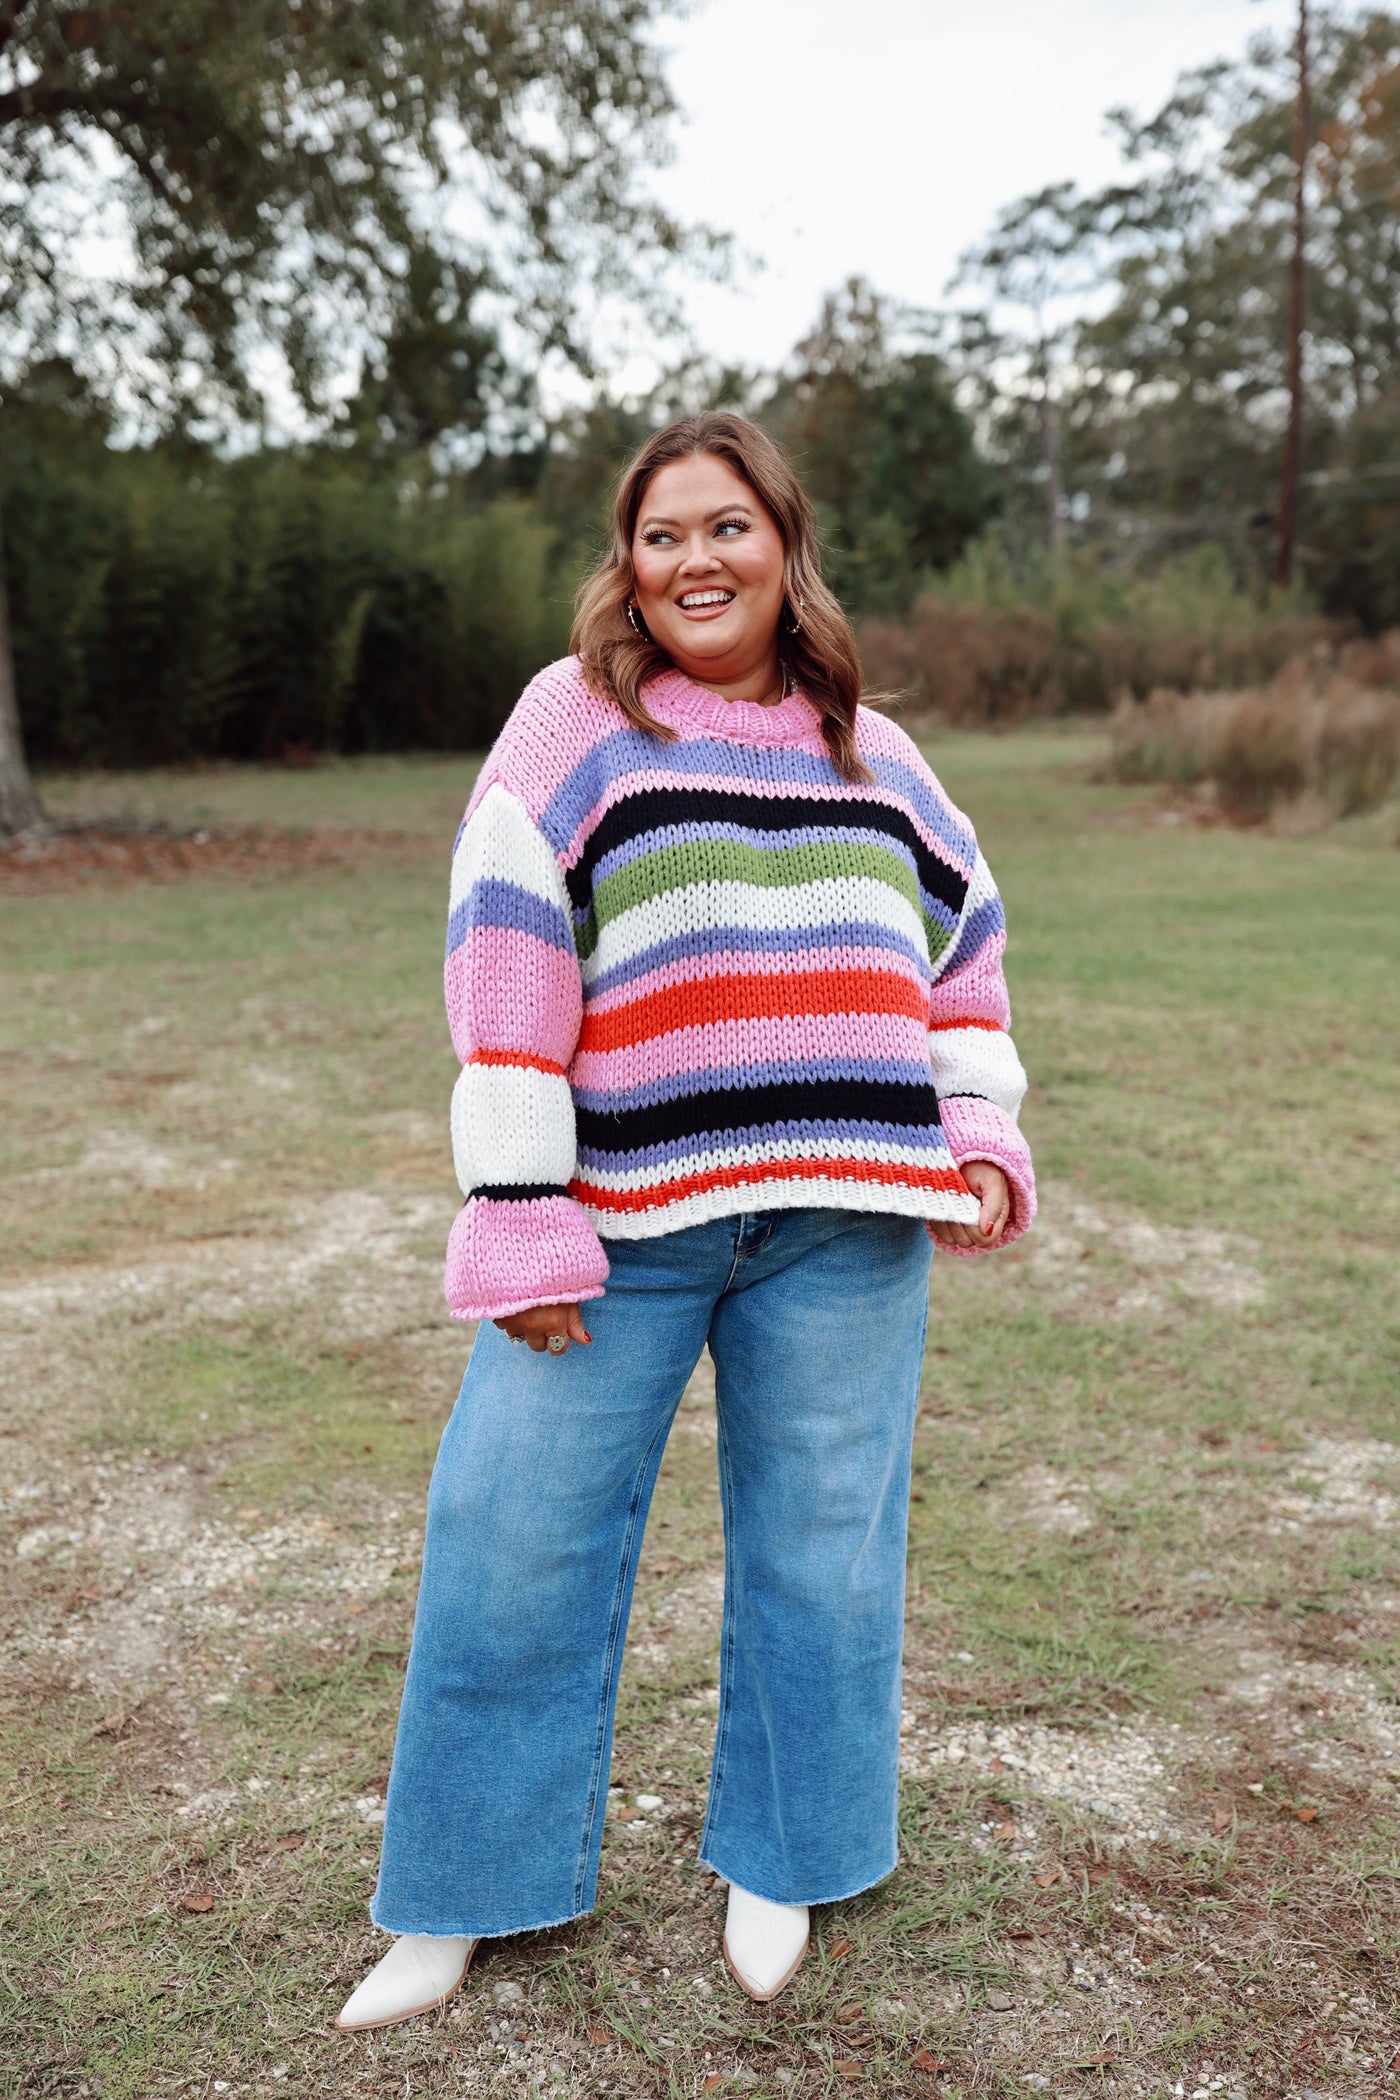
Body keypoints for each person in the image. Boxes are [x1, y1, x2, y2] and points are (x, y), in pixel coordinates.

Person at [336, 413, 1035, 2032]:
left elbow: (968, 946)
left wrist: (980, 1126)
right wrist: (517, 1208)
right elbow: (506, 968)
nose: (695, 560)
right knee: (511, 1536)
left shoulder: (874, 745)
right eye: (663, 535)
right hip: (620, 1223)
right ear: (627, 562)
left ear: (785, 548)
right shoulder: (572, 724)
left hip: (844, 1223)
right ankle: (456, 1899)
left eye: (728, 528)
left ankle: (784, 1860)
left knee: (824, 1557)